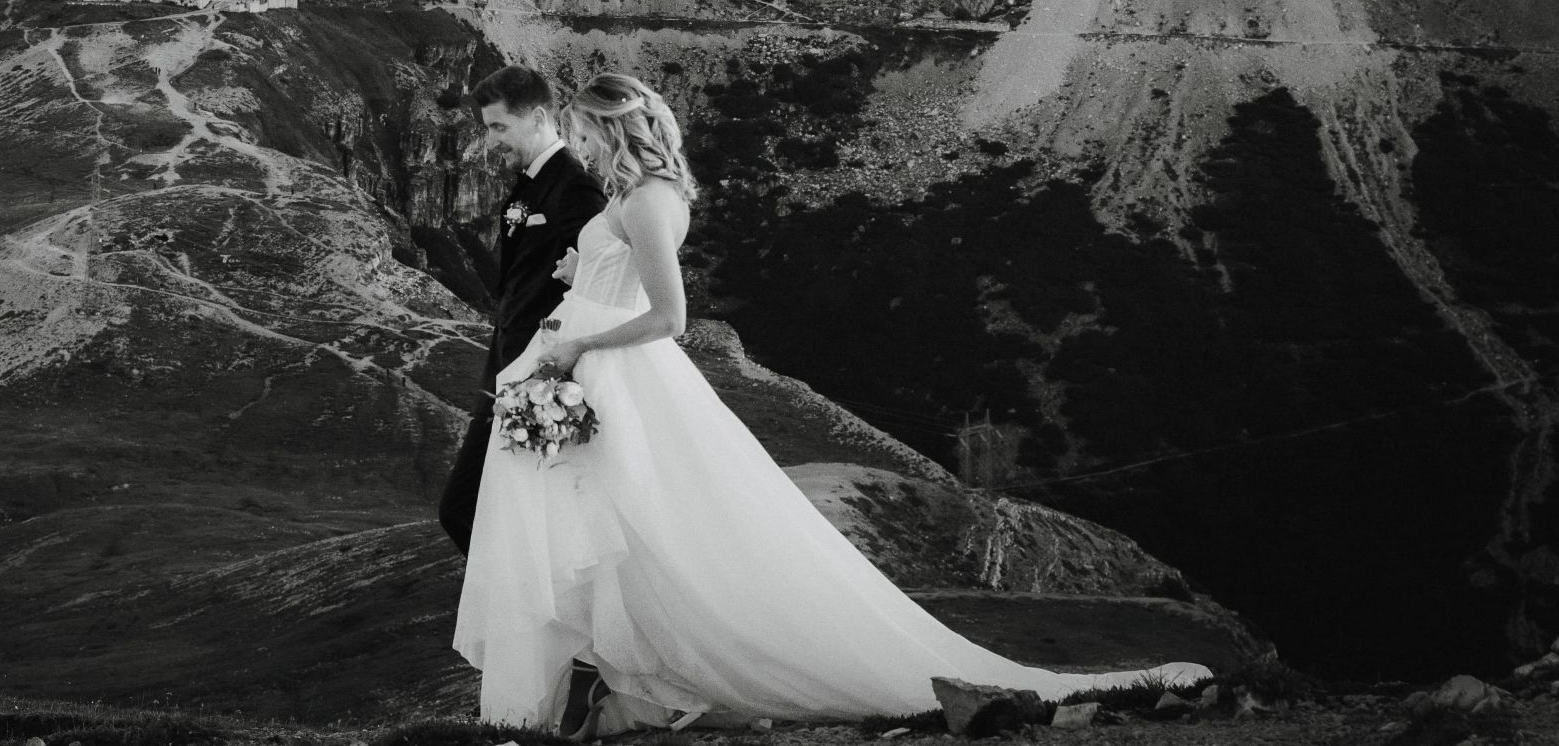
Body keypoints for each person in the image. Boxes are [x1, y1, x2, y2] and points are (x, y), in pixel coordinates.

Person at [451, 73, 1213, 733]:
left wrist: (578, 346)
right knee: (612, 532)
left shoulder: (649, 203)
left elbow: (671, 319)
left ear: (614, 131)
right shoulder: (637, 194)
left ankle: (624, 687)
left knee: (626, 530)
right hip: (584, 365)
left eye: (584, 133)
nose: (577, 147)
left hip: (609, 368)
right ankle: (624, 684)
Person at [437, 64, 611, 555]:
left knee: (464, 509)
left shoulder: (574, 186)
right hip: (506, 367)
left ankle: (515, 619)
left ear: (537, 117)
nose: (490, 141)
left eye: (498, 127)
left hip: (534, 373)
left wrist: (549, 375)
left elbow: (594, 281)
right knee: (487, 511)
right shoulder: (531, 185)